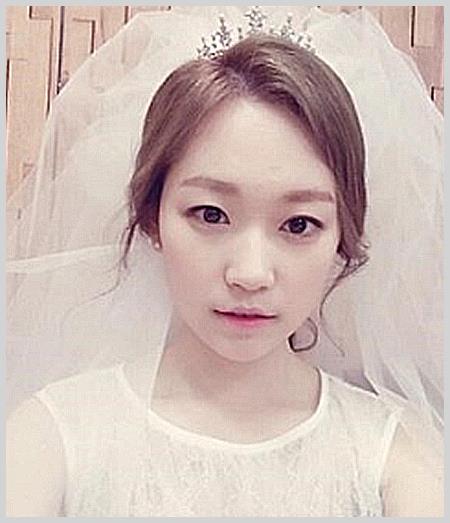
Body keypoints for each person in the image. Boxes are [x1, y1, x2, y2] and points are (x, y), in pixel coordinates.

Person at [6, 6, 443, 517]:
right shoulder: (49, 442)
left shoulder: (399, 464)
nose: (250, 274)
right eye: (210, 214)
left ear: (343, 238)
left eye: (299, 224)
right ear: (152, 218)